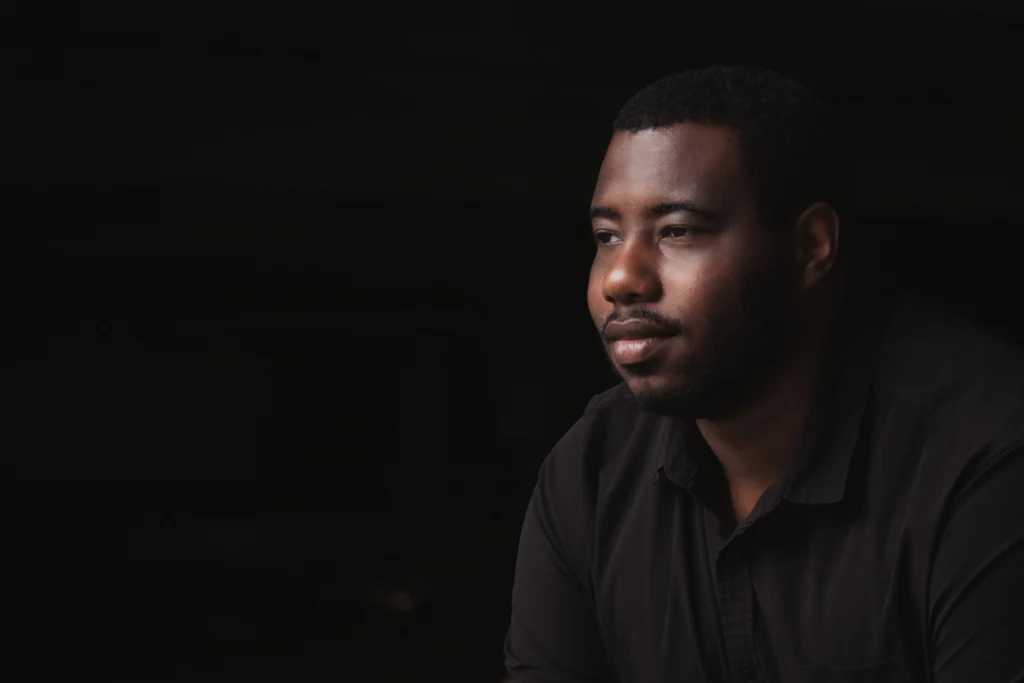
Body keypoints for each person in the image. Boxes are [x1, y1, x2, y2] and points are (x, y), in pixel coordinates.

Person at [503, 65, 1024, 683]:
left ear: (810, 246)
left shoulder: (988, 456)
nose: (621, 278)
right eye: (607, 236)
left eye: (676, 231)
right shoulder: (590, 470)